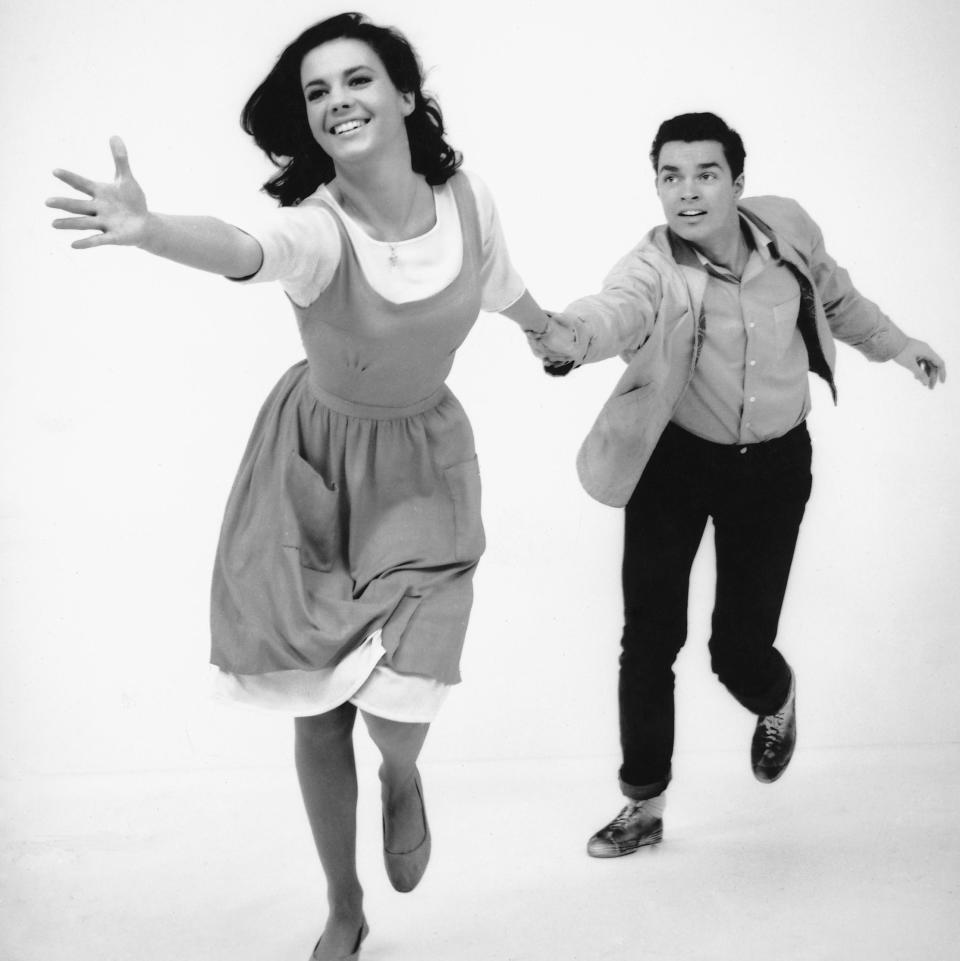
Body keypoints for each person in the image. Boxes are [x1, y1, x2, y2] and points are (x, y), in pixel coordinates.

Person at [46, 13, 572, 960]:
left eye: (357, 80)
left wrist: (544, 329)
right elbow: (248, 250)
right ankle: (344, 904)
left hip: (424, 466)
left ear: (406, 95)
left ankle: (401, 776)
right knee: (320, 705)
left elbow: (496, 282)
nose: (337, 102)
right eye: (317, 92)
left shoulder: (469, 200)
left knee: (400, 700)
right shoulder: (317, 230)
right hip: (313, 469)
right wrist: (153, 229)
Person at [541, 112, 946, 859]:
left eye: (704, 174)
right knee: (650, 637)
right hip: (678, 462)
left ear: (737, 181)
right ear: (656, 186)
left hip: (774, 465)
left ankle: (777, 699)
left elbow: (837, 300)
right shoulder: (653, 266)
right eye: (670, 176)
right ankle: (642, 804)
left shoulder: (786, 228)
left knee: (738, 649)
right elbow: (614, 312)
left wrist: (899, 346)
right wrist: (567, 333)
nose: (687, 193)